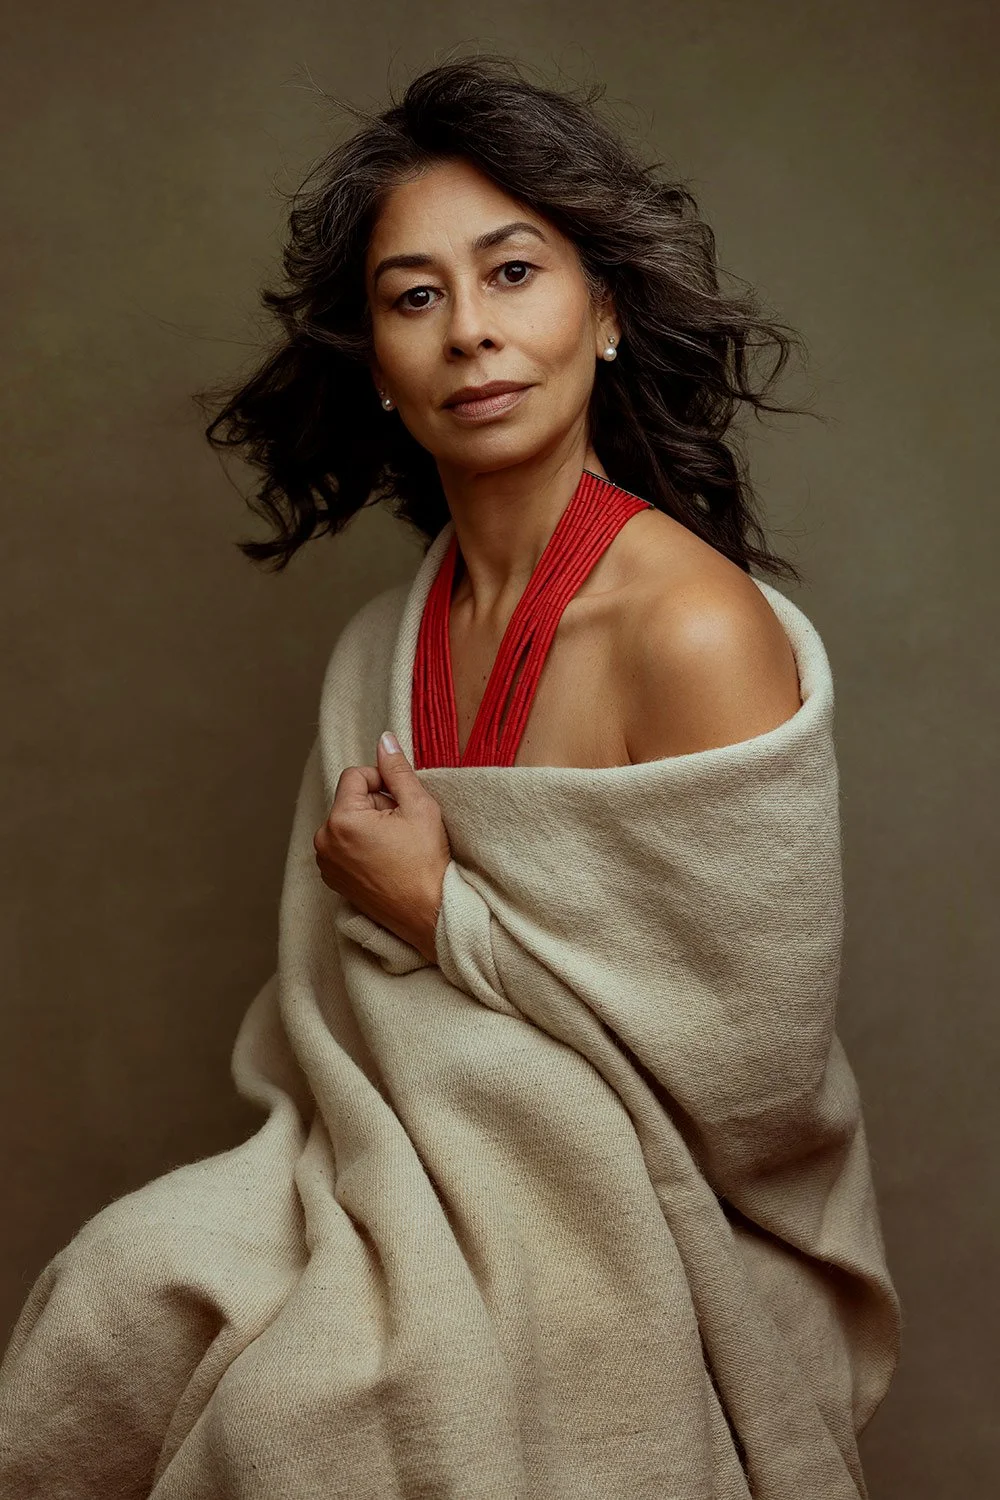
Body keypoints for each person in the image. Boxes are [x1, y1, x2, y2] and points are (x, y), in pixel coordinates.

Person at [0, 55, 900, 1500]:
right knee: (117, 1290)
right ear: (378, 361)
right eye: (417, 297)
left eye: (513, 273)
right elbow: (342, 1029)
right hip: (392, 1166)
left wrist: (443, 918)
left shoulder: (690, 625)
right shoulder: (381, 645)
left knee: (313, 1421)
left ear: (604, 311)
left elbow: (756, 1081)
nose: (472, 332)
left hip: (636, 1218)